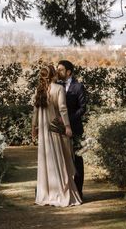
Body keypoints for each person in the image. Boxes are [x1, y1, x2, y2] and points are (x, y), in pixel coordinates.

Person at [31, 64, 82, 207]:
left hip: (43, 130)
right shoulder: (58, 88)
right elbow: (63, 109)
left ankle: (47, 193)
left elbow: (35, 111)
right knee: (60, 159)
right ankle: (60, 191)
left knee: (46, 160)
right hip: (55, 128)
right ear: (53, 75)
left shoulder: (39, 90)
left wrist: (33, 128)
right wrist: (67, 126)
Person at [56, 59, 86, 200]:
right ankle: (65, 193)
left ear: (69, 72)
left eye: (61, 69)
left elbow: (83, 108)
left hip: (76, 128)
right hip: (59, 129)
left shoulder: (78, 86)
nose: (58, 72)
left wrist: (68, 119)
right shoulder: (55, 85)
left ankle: (78, 193)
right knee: (61, 161)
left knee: (77, 161)